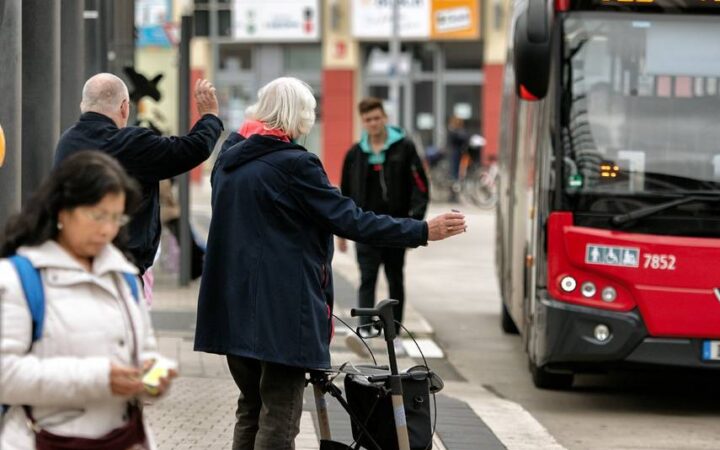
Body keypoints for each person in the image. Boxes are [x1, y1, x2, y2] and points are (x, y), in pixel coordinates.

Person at [194, 77, 466, 449]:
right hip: (281, 315)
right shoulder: (295, 165)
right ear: (296, 117)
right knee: (280, 416)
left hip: (232, 308)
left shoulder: (229, 160)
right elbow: (351, 219)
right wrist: (421, 230)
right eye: (308, 115)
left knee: (251, 408)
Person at [0, 151, 177, 449]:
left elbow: (144, 352)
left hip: (122, 437)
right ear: (62, 211)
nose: (107, 229)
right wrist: (100, 378)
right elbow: (6, 375)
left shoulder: (123, 279)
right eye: (97, 215)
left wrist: (153, 377)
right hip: (45, 439)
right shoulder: (19, 278)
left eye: (116, 217)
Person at [54, 73, 224, 294]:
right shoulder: (130, 144)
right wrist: (209, 117)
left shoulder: (67, 142)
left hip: (74, 264)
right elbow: (190, 150)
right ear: (125, 107)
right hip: (121, 271)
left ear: (83, 105)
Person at [338, 97, 430, 354]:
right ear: (363, 122)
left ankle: (395, 333)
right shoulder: (355, 154)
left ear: (385, 118)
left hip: (397, 228)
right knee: (367, 279)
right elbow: (344, 194)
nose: (374, 123)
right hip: (364, 229)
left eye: (377, 118)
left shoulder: (404, 148)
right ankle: (365, 330)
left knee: (395, 279)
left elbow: (421, 187)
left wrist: (415, 223)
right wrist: (341, 231)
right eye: (368, 119)